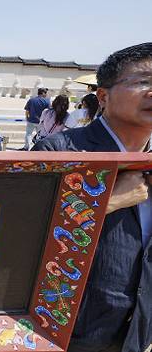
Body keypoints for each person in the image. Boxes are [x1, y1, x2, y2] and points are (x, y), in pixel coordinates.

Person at [33, 42, 152, 352]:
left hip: (134, 333)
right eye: (144, 81)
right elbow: (24, 236)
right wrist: (106, 202)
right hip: (66, 332)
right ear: (103, 96)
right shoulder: (60, 152)